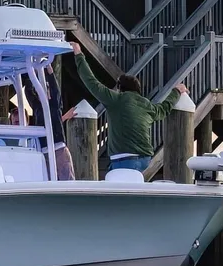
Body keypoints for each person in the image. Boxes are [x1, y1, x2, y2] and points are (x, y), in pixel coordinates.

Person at [70, 42, 188, 173]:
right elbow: (164, 108)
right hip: (145, 158)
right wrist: (176, 91)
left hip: (125, 158)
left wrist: (78, 54)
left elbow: (91, 81)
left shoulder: (116, 99)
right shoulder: (146, 104)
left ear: (120, 88)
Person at [11, 63, 76, 181]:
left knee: (66, 178)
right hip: (44, 149)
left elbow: (55, 90)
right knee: (48, 178)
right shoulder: (37, 106)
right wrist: (33, 74)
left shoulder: (55, 104)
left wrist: (50, 72)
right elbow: (28, 92)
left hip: (58, 147)